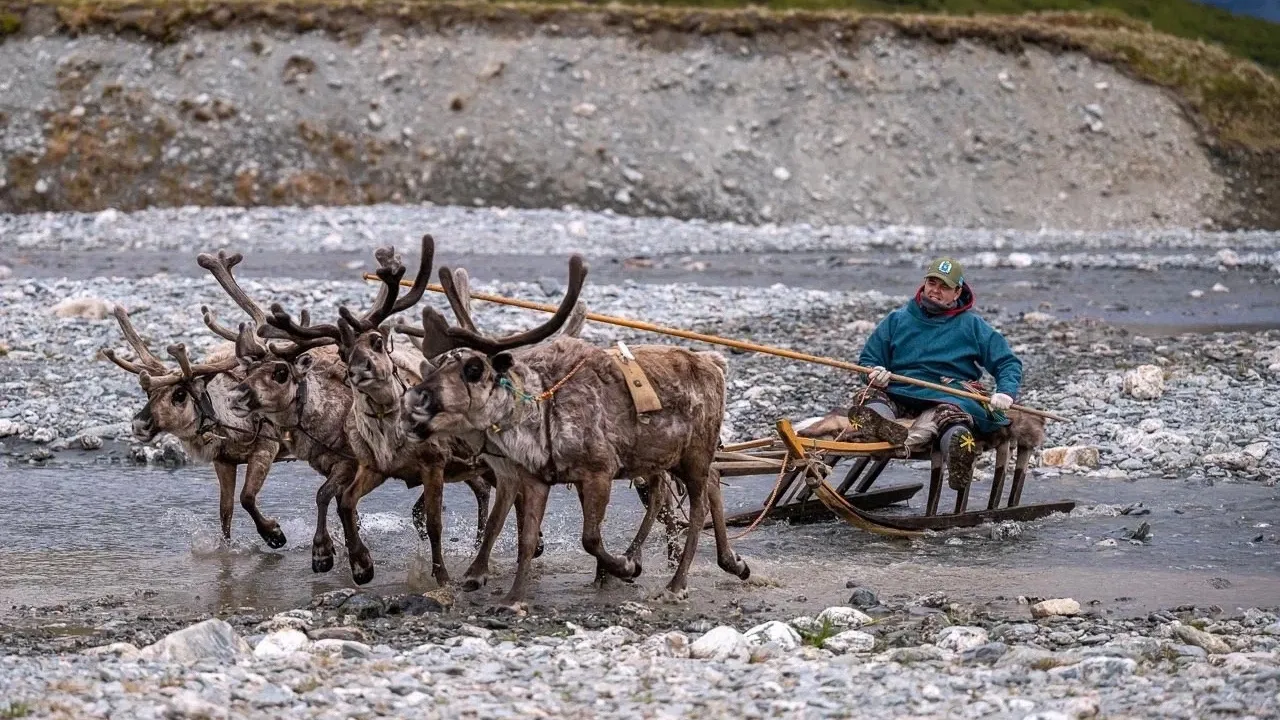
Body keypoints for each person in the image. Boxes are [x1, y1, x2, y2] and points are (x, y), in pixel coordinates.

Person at [849, 257, 1023, 489]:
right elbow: (869, 361)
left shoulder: (972, 325)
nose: (935, 291)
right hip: (898, 391)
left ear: (957, 292)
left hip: (946, 395)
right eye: (932, 283)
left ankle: (959, 455)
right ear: (924, 283)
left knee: (951, 417)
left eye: (944, 287)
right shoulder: (897, 320)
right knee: (869, 397)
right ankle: (880, 427)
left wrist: (1006, 392)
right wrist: (873, 373)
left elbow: (1007, 362)